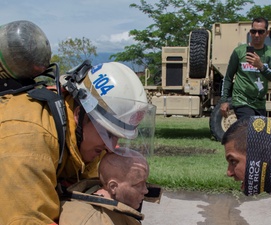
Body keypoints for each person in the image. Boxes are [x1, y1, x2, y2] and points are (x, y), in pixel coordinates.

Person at [0, 21, 155, 224]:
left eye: (118, 136)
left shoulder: (81, 138)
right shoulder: (27, 136)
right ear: (79, 113)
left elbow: (83, 184)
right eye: (108, 133)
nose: (112, 146)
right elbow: (24, 219)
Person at [59, 148, 153, 225]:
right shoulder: (92, 220)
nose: (146, 191)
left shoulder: (111, 211)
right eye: (139, 185)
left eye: (145, 184)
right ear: (113, 187)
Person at [220, 17, 271, 119]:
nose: (256, 35)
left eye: (260, 32)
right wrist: (224, 101)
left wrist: (261, 66)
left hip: (259, 103)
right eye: (253, 31)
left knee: (259, 133)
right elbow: (228, 77)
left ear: (267, 33)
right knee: (249, 128)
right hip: (241, 101)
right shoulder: (239, 52)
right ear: (250, 32)